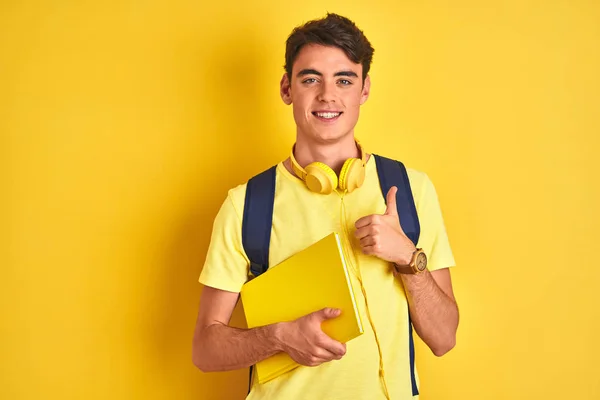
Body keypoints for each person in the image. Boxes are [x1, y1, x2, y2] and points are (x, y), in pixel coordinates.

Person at [192, 13, 459, 399]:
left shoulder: (412, 190)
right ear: (287, 88)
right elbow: (205, 348)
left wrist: (407, 258)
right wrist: (279, 336)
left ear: (364, 89)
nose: (328, 95)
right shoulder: (246, 205)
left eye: (344, 80)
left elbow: (445, 337)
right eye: (311, 78)